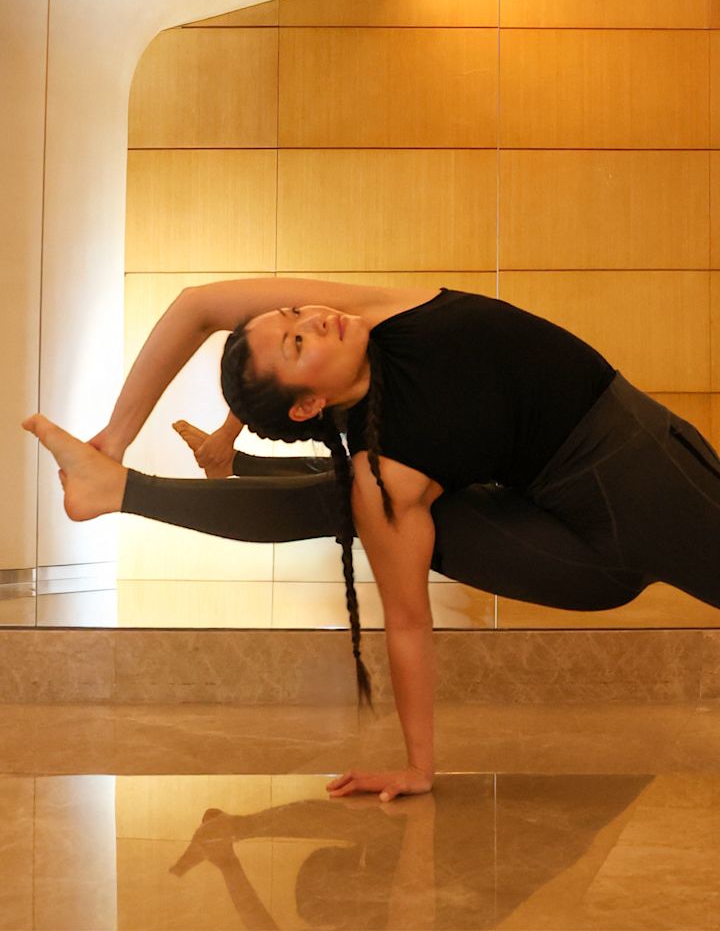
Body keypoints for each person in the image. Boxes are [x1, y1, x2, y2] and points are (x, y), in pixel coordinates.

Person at [22, 277, 720, 802]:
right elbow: (408, 623)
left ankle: (117, 483)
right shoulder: (384, 471)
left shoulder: (389, 312)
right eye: (298, 341)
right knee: (359, 497)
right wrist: (420, 767)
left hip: (641, 484)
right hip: (580, 562)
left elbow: (198, 306)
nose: (314, 317)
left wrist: (113, 439)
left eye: (295, 317)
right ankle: (121, 493)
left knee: (353, 494)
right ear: (307, 405)